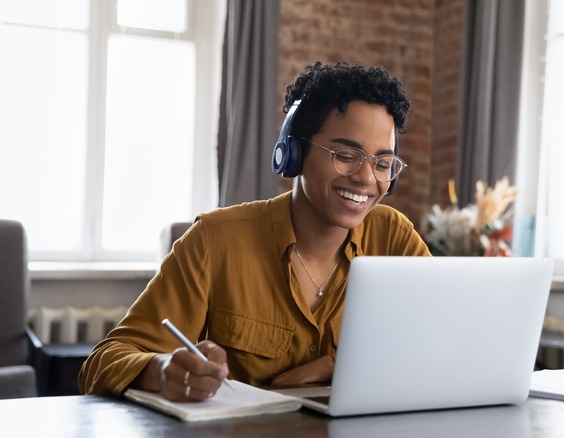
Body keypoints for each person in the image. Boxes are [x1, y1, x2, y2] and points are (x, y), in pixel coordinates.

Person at [78, 61, 432, 401]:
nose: (368, 179)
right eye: (345, 154)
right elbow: (103, 362)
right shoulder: (214, 241)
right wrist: (164, 368)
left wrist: (340, 367)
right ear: (292, 152)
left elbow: (441, 346)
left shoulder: (394, 238)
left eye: (383, 164)